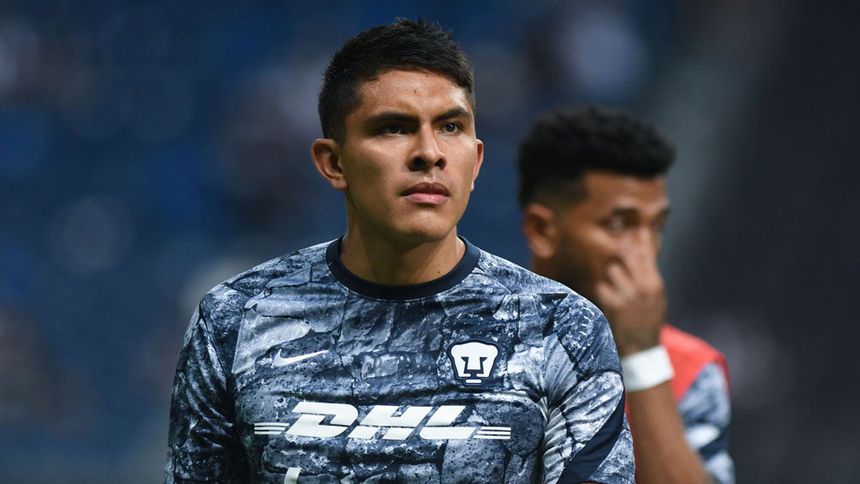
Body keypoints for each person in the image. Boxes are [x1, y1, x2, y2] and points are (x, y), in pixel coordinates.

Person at [165, 20, 633, 483]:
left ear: (476, 160)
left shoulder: (560, 327)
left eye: (451, 127)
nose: (429, 152)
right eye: (393, 128)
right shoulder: (235, 321)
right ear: (333, 162)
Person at [517, 106, 733, 484]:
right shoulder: (462, 340)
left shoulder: (691, 369)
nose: (644, 250)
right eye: (620, 224)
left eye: (656, 226)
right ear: (541, 230)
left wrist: (642, 357)